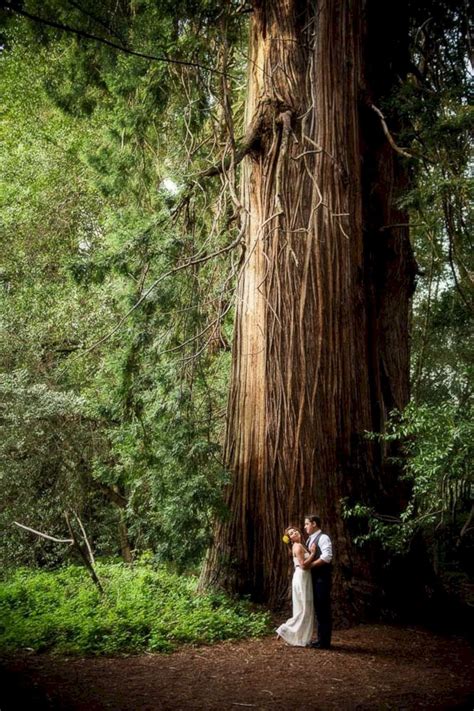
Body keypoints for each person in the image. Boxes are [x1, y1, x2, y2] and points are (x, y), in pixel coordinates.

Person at [276, 527, 314, 647]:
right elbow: (303, 565)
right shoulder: (297, 546)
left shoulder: (298, 545)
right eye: (291, 533)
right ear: (290, 539)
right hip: (302, 576)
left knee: (302, 607)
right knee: (305, 608)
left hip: (302, 576)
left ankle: (299, 637)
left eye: (295, 531)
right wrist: (313, 554)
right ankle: (285, 629)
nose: (295, 533)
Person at [304, 514, 333, 649]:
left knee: (323, 608)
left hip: (322, 579)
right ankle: (320, 639)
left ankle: (324, 642)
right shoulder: (309, 540)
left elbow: (327, 557)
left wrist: (311, 565)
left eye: (307, 524)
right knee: (318, 609)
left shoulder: (323, 538)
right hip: (314, 579)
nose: (305, 527)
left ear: (314, 523)